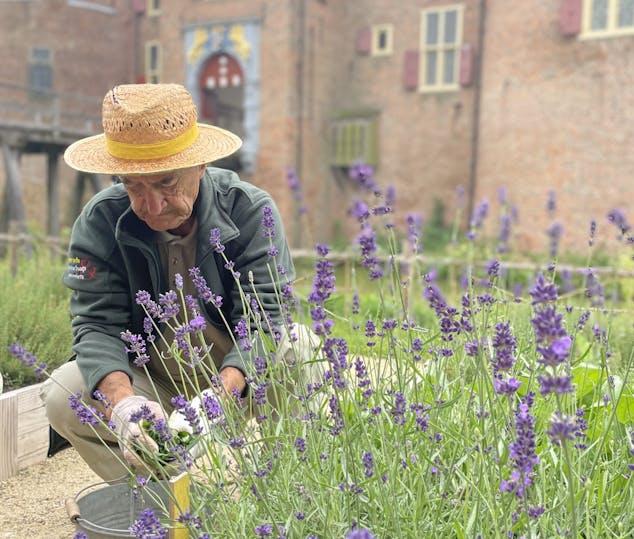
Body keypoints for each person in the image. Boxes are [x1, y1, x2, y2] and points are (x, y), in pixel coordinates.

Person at [41, 83, 319, 482]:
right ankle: (162, 500)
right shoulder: (100, 220)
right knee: (64, 393)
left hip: (240, 373)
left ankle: (292, 489)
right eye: (133, 184)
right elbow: (97, 325)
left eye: (166, 182)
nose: (150, 206)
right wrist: (122, 403)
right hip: (154, 377)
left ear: (200, 165)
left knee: (297, 348)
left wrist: (222, 396)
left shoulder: (250, 210)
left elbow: (266, 317)